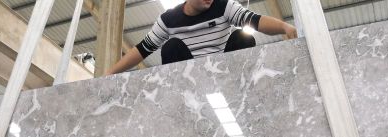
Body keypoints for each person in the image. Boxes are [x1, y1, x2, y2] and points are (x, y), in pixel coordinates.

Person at [106, 0, 298, 75]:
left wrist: (284, 27)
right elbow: (142, 49)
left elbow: (255, 20)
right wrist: (110, 73)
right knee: (171, 46)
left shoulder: (224, 6)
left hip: (223, 70)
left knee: (243, 37)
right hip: (190, 75)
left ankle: (242, 85)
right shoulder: (168, 19)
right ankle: (179, 92)